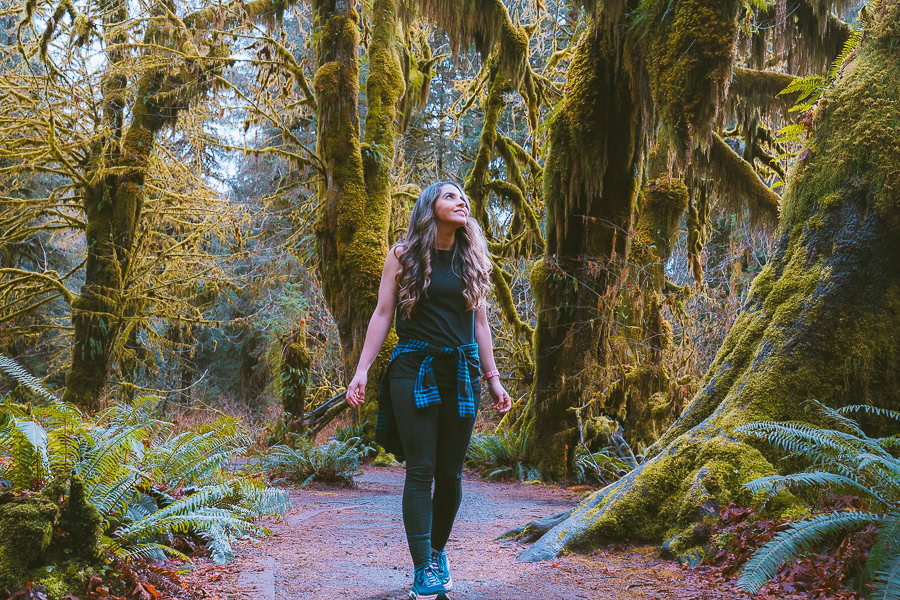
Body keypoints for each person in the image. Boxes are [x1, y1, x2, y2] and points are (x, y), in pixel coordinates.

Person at [345, 181, 512, 600]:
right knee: (421, 468)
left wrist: (493, 379)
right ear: (430, 207)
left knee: (451, 474)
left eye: (463, 198)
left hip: (461, 371)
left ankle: (437, 553)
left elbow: (481, 325)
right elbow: (383, 314)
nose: (461, 202)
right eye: (450, 196)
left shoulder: (472, 259)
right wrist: (361, 370)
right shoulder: (402, 255)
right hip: (413, 368)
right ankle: (423, 569)